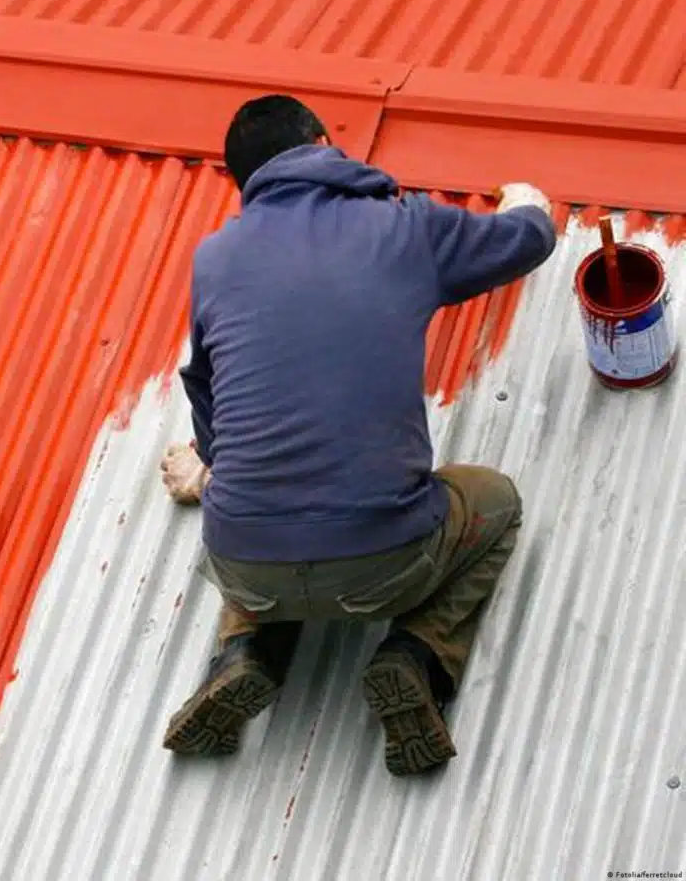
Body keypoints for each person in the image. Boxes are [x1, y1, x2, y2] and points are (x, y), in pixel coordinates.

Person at [159, 94, 556, 776]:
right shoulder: (401, 227)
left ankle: (245, 650)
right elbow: (526, 241)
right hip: (386, 564)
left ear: (246, 181)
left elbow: (205, 386)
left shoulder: (215, 259)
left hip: (245, 563)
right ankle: (417, 655)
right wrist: (529, 204)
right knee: (494, 500)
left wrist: (209, 469)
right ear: (322, 144)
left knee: (254, 504)